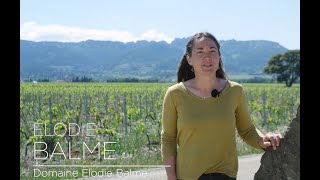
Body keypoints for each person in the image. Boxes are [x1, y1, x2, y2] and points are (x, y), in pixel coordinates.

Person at [160, 32, 282, 180]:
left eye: (212, 51)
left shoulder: (235, 91)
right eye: (200, 52)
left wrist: (264, 140)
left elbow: (247, 130)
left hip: (226, 174)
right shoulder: (175, 94)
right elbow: (168, 139)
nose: (207, 57)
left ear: (219, 57)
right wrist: (171, 177)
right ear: (189, 59)